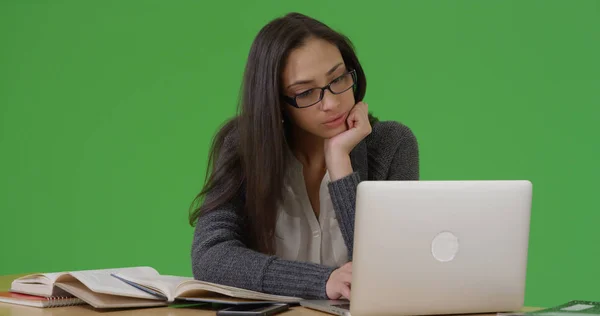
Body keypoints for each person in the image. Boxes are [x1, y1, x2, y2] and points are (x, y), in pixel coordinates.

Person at [189, 12, 419, 300]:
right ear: (276, 102)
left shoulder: (392, 144)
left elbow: (387, 268)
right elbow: (211, 256)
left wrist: (340, 164)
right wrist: (322, 281)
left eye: (338, 78)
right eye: (307, 93)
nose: (332, 102)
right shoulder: (244, 145)